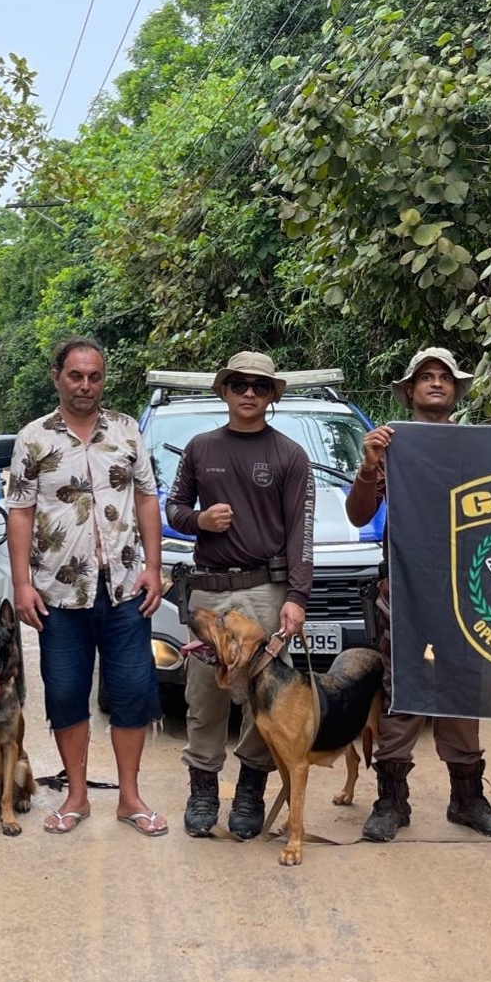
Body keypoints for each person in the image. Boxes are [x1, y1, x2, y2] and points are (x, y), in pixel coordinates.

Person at [345, 349, 491, 842]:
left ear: (455, 390)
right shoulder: (392, 444)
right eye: (426, 378)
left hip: (466, 589)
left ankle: (467, 798)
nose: (436, 384)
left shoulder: (474, 448)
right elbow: (359, 515)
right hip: (406, 590)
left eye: (445, 378)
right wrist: (370, 466)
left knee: (464, 686)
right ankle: (391, 801)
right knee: (403, 689)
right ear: (410, 391)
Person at [6, 337, 167, 836]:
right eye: (76, 375)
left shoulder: (126, 431)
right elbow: (21, 512)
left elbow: (146, 498)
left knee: (133, 692)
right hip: (59, 593)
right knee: (67, 694)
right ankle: (77, 796)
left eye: (94, 376)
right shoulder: (33, 439)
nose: (85, 385)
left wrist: (154, 568)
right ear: (57, 376)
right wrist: (21, 585)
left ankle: (130, 797)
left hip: (123, 587)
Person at [165, 350, 313, 840]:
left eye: (260, 386)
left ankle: (251, 788)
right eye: (239, 384)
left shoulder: (289, 454)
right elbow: (174, 508)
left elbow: (301, 533)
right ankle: (203, 788)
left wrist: (297, 595)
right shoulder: (201, 448)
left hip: (266, 592)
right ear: (224, 390)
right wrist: (199, 521)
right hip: (211, 587)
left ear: (272, 396)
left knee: (264, 700)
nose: (249, 393)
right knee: (205, 695)